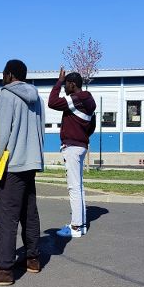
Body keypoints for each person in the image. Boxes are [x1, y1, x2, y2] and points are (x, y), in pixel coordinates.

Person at [0, 59, 45, 286]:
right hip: (31, 163)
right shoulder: (37, 97)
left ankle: (5, 269)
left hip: (12, 165)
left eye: (3, 74)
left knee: (7, 218)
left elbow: (1, 133)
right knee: (29, 212)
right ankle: (33, 259)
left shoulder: (7, 95)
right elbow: (40, 130)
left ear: (9, 75)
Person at [48, 67, 96, 238]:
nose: (64, 88)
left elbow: (52, 102)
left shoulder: (74, 99)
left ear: (72, 84)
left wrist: (59, 81)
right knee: (79, 187)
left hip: (72, 148)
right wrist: (82, 137)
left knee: (73, 188)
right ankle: (80, 225)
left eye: (66, 85)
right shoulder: (88, 101)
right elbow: (92, 125)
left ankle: (75, 228)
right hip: (81, 146)